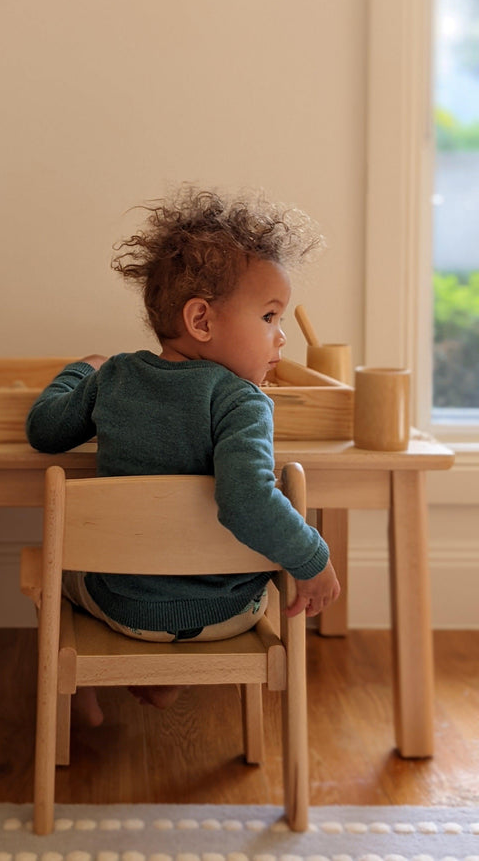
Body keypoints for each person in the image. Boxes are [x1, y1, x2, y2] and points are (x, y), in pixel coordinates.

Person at [26, 187, 341, 725]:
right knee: (249, 579)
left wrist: (82, 369)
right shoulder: (242, 402)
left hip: (123, 606)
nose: (282, 337)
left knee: (53, 572)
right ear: (202, 320)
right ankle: (166, 672)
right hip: (228, 613)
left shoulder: (115, 377)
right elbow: (247, 499)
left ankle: (76, 684)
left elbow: (44, 430)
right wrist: (313, 558)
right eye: (270, 316)